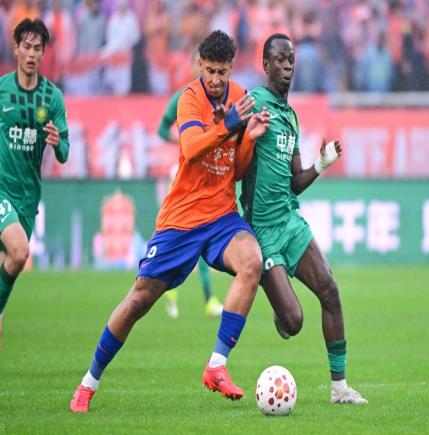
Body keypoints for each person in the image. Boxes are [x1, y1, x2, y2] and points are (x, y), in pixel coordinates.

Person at [69, 30, 270, 413]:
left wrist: (250, 139)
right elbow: (191, 149)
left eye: (223, 72)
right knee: (138, 301)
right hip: (182, 219)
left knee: (252, 263)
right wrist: (228, 124)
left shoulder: (241, 97)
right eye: (210, 71)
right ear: (200, 65)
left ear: (231, 69)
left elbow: (238, 170)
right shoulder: (189, 99)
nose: (216, 79)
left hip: (222, 216)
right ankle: (88, 383)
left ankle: (217, 365)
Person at [241, 33, 368, 404]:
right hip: (262, 231)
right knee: (293, 322)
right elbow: (229, 138)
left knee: (330, 290)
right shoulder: (254, 102)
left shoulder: (291, 118)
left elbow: (295, 182)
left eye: (291, 60)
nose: (287, 66)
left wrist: (320, 164)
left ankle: (339, 388)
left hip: (289, 221)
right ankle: (281, 310)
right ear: (265, 65)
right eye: (279, 60)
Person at [0, 18, 69, 378]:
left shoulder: (52, 98)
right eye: (26, 46)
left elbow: (65, 152)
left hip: (29, 197)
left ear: (43, 53)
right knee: (21, 252)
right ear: (16, 49)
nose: (31, 54)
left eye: (37, 48)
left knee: (0, 271)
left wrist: (57, 144)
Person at [158, 79, 223, 319]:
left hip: (207, 173)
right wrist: (185, 142)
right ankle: (171, 288)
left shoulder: (220, 98)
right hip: (183, 171)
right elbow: (161, 130)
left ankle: (207, 298)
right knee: (182, 233)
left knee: (201, 236)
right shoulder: (183, 97)